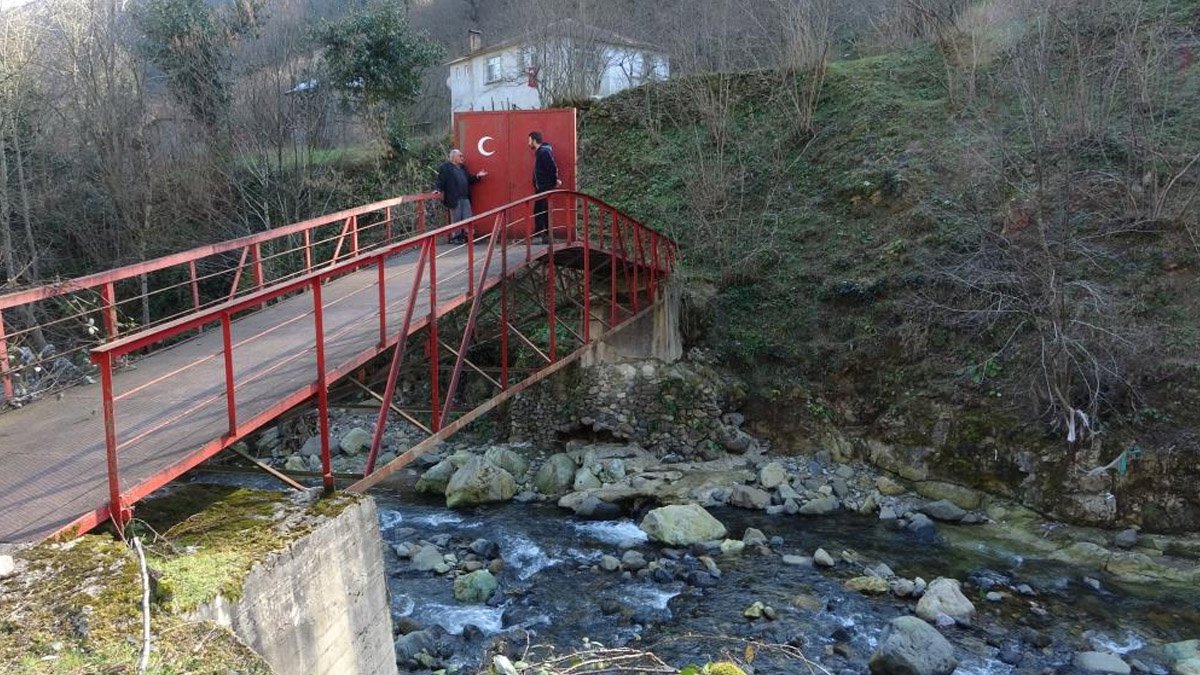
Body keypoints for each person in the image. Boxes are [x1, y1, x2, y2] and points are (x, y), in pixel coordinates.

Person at [433, 148, 486, 245]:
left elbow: (469, 179)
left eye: (462, 156)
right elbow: (440, 180)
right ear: (453, 157)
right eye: (460, 156)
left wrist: (477, 176)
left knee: (468, 218)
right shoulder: (446, 167)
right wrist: (438, 189)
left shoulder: (463, 168)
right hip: (454, 198)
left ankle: (469, 237)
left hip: (465, 197)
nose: (462, 158)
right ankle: (457, 238)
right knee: (457, 219)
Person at [528, 131, 561, 243]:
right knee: (542, 211)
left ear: (534, 140)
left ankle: (541, 236)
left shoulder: (544, 152)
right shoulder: (541, 152)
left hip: (544, 188)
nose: (528, 143)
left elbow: (552, 168)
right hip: (540, 188)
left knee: (540, 211)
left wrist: (554, 182)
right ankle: (545, 236)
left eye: (529, 140)